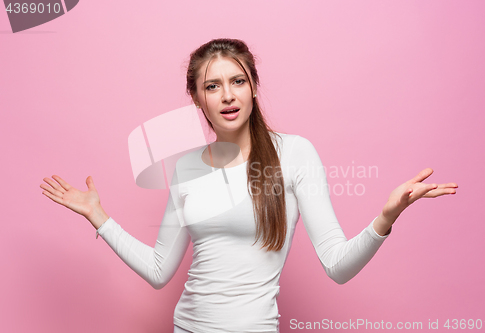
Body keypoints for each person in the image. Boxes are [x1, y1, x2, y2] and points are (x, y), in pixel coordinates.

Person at [40, 38, 458, 333]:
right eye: (212, 85)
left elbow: (337, 265)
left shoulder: (294, 154)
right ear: (197, 98)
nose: (227, 95)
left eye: (237, 81)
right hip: (187, 327)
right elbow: (158, 271)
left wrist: (385, 218)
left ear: (254, 87)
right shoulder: (187, 167)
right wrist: (99, 216)